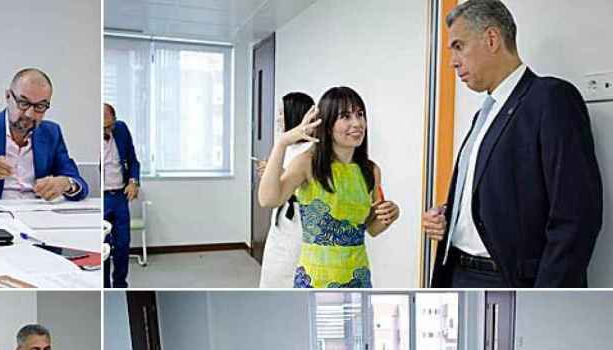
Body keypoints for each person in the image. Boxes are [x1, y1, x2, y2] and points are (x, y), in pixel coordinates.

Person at [423, 0, 602, 288]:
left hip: (508, 282)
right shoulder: (484, 113)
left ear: (491, 39)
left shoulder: (551, 99)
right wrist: (452, 214)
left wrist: (545, 301)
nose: (452, 61)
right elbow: (506, 197)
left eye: (459, 46)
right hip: (457, 274)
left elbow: (576, 218)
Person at [257, 86, 399, 288]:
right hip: (314, 278)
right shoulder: (307, 163)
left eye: (360, 114)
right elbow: (268, 199)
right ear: (328, 124)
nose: (357, 123)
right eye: (345, 116)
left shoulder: (371, 170)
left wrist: (390, 215)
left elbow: (371, 228)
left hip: (357, 276)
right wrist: (282, 143)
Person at [0, 68, 88, 201]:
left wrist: (66, 183)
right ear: (8, 96)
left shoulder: (51, 132)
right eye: (23, 103)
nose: (30, 114)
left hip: (40, 215)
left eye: (40, 106)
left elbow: (80, 185)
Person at [258, 91, 314, 288]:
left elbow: (311, 187)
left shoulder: (311, 152)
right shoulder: (286, 147)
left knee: (292, 270)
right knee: (274, 270)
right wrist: (270, 173)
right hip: (279, 221)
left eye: (282, 113)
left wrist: (281, 174)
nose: (279, 118)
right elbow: (269, 195)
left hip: (299, 223)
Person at [102, 102, 140, 289]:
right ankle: (104, 287)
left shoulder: (122, 129)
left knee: (123, 244)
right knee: (103, 247)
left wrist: (134, 181)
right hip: (102, 199)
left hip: (119, 196)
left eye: (110, 126)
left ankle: (119, 284)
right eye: (103, 128)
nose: (108, 131)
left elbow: (133, 160)